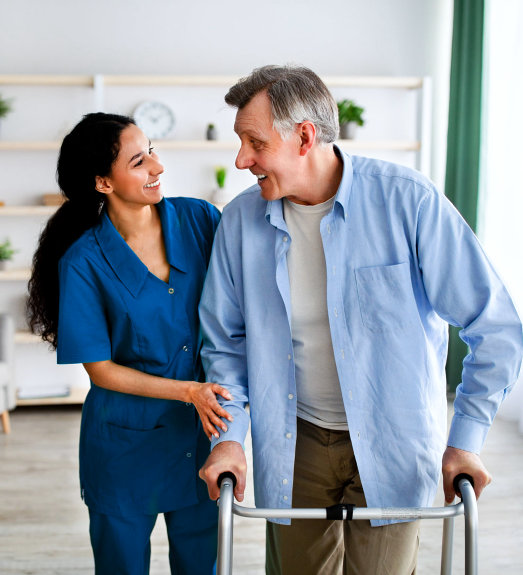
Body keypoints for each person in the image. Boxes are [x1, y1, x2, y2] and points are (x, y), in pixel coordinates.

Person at [198, 65, 523, 574]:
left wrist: (467, 438)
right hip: (295, 436)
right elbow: (225, 344)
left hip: (395, 436)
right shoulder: (240, 223)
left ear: (305, 136)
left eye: (254, 142)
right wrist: (230, 438)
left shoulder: (407, 201)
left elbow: (496, 326)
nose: (242, 160)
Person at [27, 112, 232, 575]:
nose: (157, 167)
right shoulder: (84, 261)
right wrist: (188, 392)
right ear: (103, 181)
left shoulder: (200, 219)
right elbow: (99, 370)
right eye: (139, 161)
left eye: (152, 151)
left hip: (201, 440)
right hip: (122, 450)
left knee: (204, 564)